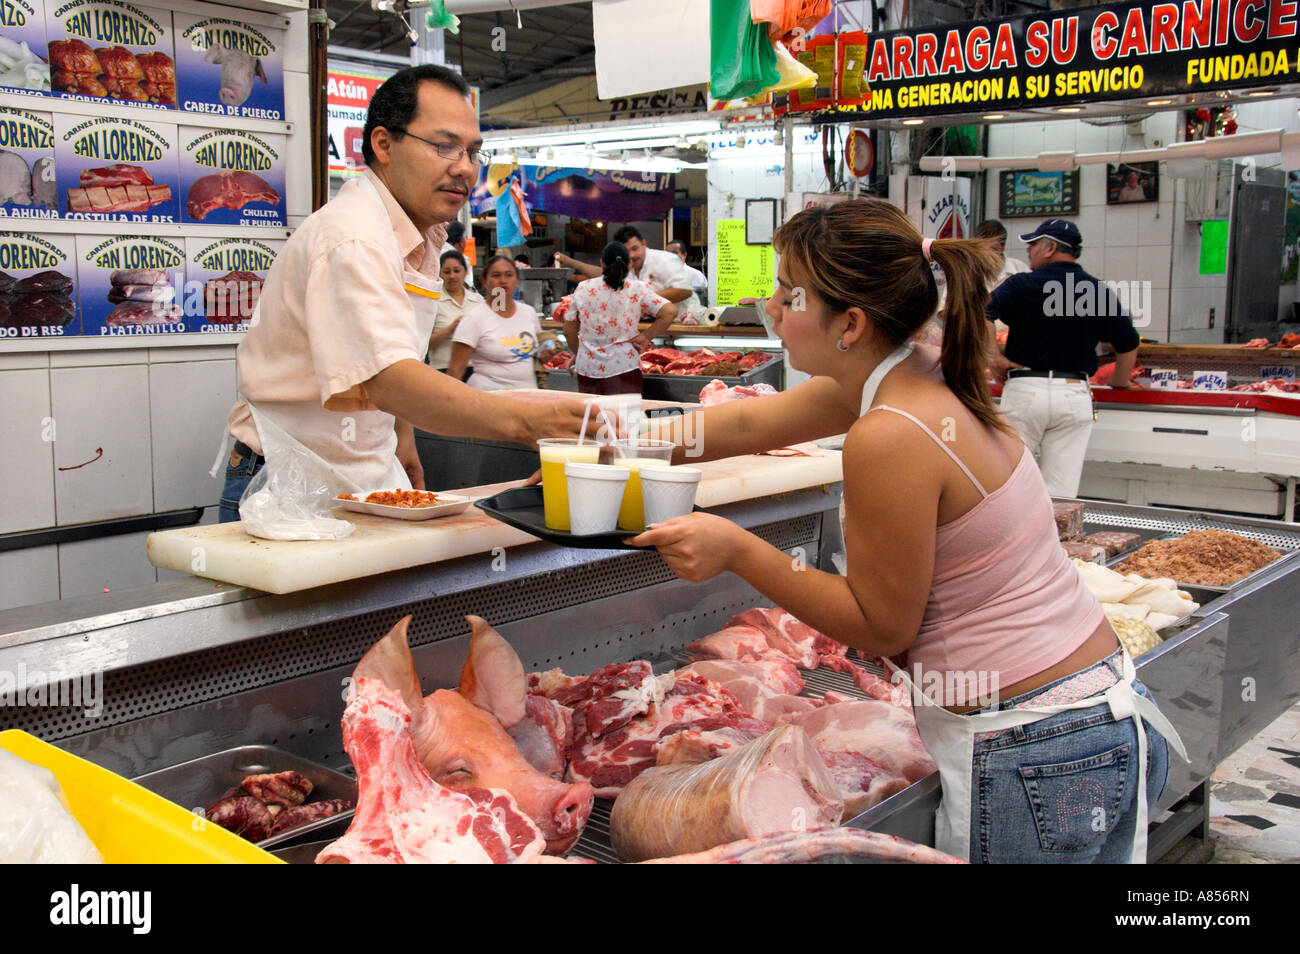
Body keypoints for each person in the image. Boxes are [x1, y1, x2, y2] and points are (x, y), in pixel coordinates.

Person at [630, 199, 1181, 864]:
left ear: (851, 324)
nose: (769, 305)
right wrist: (612, 452)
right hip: (1092, 718)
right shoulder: (911, 369)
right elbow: (748, 426)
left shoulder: (890, 433)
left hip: (1038, 748)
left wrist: (738, 549)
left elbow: (881, 626)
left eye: (788, 292)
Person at [218, 65, 587, 522]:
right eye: (444, 146)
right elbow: (388, 377)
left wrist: (402, 432)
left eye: (474, 151)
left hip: (362, 473)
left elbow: (389, 349)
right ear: (384, 144)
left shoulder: (420, 235)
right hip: (287, 480)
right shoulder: (354, 237)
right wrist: (527, 422)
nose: (464, 168)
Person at [986, 219, 1140, 498]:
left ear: (1050, 247)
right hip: (1073, 394)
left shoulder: (1022, 284)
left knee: (1009, 486)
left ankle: (1015, 541)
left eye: (1033, 244)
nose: (1029, 251)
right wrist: (1120, 382)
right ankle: (1056, 541)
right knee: (1061, 495)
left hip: (1025, 392)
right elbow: (1128, 343)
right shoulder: (1097, 290)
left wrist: (993, 357)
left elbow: (978, 312)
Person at [562, 242, 677, 395]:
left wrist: (579, 353)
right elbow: (669, 312)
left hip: (588, 369)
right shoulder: (637, 288)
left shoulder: (583, 287)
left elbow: (569, 330)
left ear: (602, 262)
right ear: (629, 264)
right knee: (625, 417)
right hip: (625, 367)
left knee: (593, 417)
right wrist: (645, 337)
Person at [448, 255, 549, 391]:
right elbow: (456, 370)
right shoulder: (473, 319)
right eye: (496, 275)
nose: (503, 281)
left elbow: (537, 353)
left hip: (528, 398)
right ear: (484, 281)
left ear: (517, 280)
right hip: (488, 399)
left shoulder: (528, 312)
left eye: (509, 275)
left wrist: (545, 354)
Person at [556, 226, 700, 320]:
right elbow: (602, 273)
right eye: (627, 251)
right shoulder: (626, 264)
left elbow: (684, 291)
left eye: (635, 248)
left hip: (680, 324)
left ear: (644, 244)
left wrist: (641, 298)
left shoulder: (666, 259)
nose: (632, 255)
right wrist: (571, 263)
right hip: (646, 326)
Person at [425, 250, 483, 372]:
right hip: (443, 369)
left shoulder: (478, 300)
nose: (452, 276)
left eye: (457, 271)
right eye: (447, 272)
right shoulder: (432, 301)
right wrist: (450, 329)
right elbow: (423, 345)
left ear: (465, 272)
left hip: (476, 368)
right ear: (439, 274)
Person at [443, 220, 475, 288]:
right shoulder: (460, 259)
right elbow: (466, 285)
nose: (452, 276)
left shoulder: (435, 251)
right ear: (461, 241)